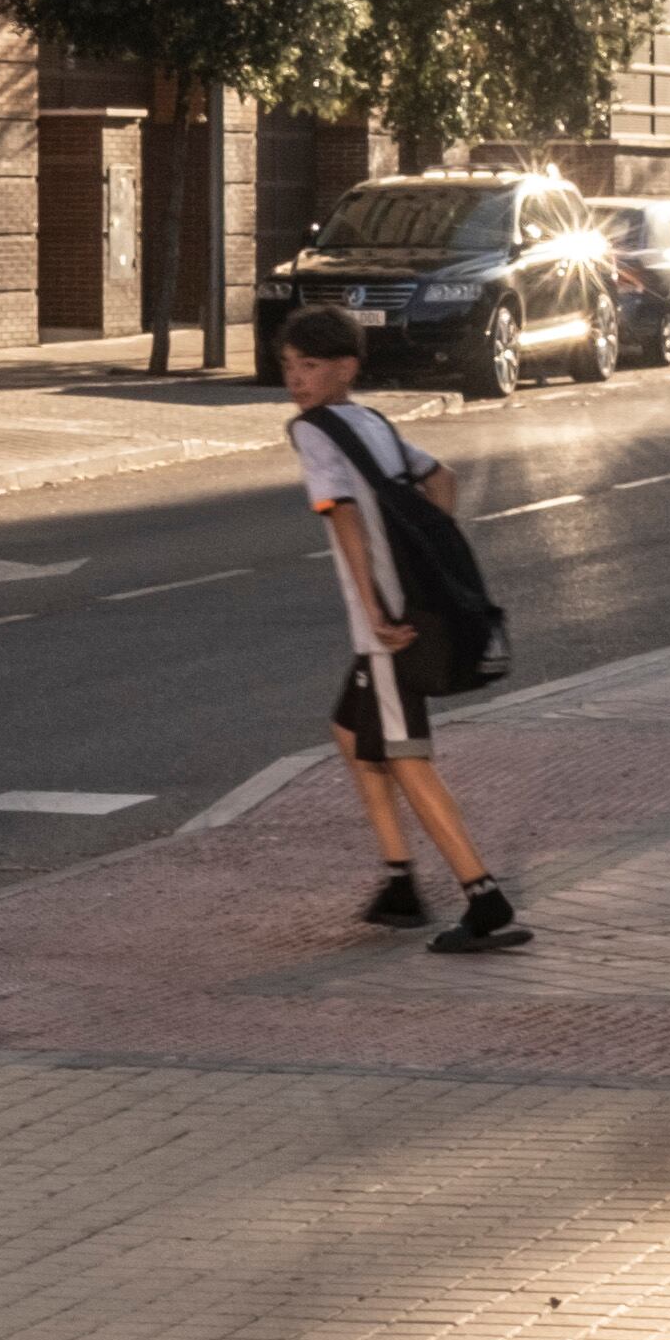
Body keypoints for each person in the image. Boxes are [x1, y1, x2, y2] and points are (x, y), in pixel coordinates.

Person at [276, 300, 526, 947]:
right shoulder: (372, 421)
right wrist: (432, 564)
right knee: (350, 733)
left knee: (409, 759)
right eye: (289, 365)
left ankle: (484, 899)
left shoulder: (313, 431)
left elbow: (343, 518)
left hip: (386, 626)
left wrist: (378, 609)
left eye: (311, 365)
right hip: (408, 610)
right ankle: (397, 879)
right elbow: (442, 477)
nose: (296, 379)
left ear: (346, 367)